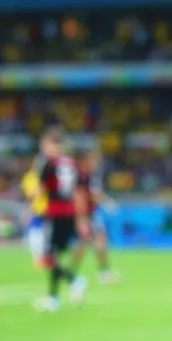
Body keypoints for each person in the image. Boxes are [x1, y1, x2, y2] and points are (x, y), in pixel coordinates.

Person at [31, 127, 90, 312]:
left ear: (53, 145)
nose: (44, 148)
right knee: (55, 255)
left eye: (46, 145)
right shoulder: (73, 164)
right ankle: (53, 298)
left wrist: (30, 204)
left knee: (48, 256)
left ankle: (74, 280)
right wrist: (81, 219)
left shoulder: (48, 164)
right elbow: (79, 193)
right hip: (70, 213)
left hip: (55, 213)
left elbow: (39, 190)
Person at [70, 149, 119, 285]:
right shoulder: (83, 175)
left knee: (98, 240)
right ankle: (74, 271)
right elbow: (89, 194)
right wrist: (107, 203)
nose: (98, 163)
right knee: (84, 242)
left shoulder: (91, 175)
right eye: (95, 159)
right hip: (85, 213)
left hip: (91, 213)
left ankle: (103, 272)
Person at [20, 159, 49, 269]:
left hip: (48, 209)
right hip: (37, 210)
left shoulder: (46, 176)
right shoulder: (30, 177)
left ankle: (44, 257)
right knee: (36, 234)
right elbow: (30, 195)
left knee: (44, 235)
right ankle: (38, 258)